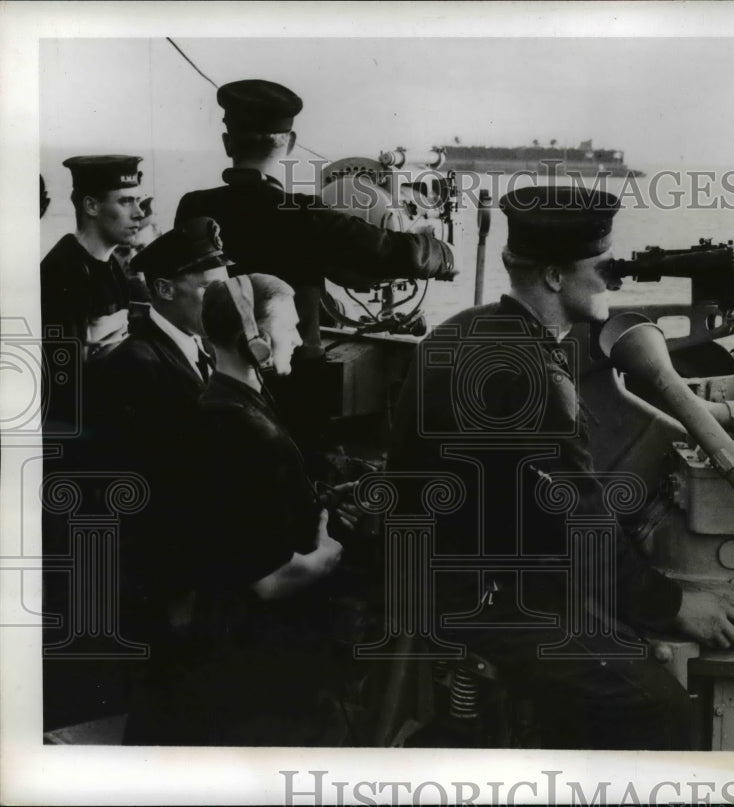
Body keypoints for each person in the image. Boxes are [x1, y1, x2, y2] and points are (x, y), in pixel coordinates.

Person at [388, 185, 734, 750]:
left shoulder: (456, 332)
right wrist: (676, 604)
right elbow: (583, 529)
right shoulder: (538, 378)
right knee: (657, 709)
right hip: (483, 604)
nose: (613, 279)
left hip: (429, 574)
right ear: (556, 277)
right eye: (601, 266)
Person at [173, 79, 457, 447]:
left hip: (215, 368)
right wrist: (445, 255)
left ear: (227, 142)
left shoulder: (193, 207)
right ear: (289, 143)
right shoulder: (306, 216)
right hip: (292, 377)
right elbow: (388, 250)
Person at [181, 273, 349, 745]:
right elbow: (270, 581)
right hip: (261, 653)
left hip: (223, 636)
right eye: (289, 327)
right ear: (253, 341)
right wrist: (328, 556)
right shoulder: (249, 433)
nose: (298, 338)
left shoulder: (221, 404)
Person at [84, 217, 233, 743]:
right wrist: (178, 591)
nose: (228, 300)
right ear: (165, 290)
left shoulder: (196, 350)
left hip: (189, 573)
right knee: (164, 710)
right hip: (164, 583)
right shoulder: (138, 365)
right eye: (213, 288)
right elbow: (147, 496)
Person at [41, 155, 147, 365]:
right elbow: (64, 376)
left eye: (138, 201)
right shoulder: (64, 272)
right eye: (126, 201)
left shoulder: (110, 264)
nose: (139, 213)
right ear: (91, 206)